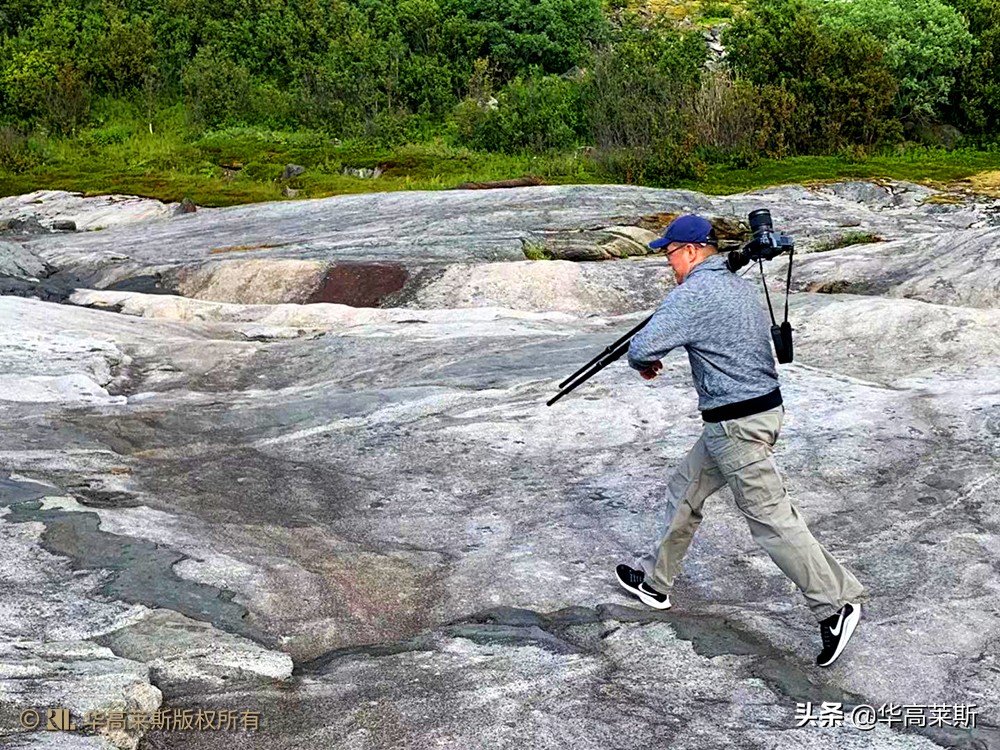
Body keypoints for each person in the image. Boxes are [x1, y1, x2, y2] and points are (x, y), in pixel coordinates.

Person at [614, 214, 865, 668]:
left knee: (770, 519)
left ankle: (835, 605)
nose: (668, 264)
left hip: (736, 426)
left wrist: (645, 363)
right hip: (755, 413)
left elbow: (641, 348)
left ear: (690, 251)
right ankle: (655, 582)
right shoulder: (735, 285)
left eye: (669, 254)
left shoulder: (693, 294)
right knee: (685, 488)